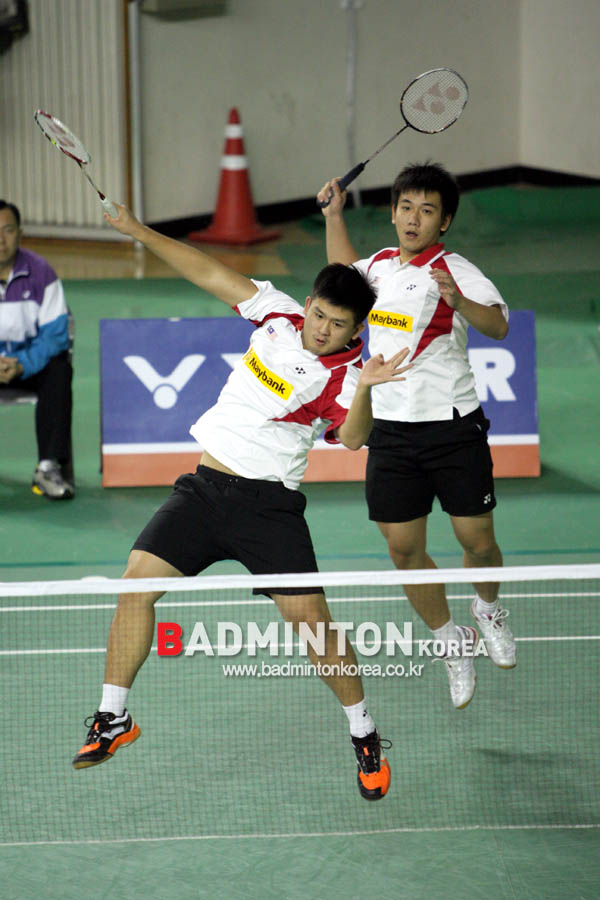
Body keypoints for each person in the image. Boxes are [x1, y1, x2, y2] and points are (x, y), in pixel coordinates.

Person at [72, 204, 411, 801]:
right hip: (204, 489)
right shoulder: (277, 315)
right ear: (308, 302)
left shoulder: (346, 377)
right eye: (319, 313)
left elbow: (355, 438)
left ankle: (364, 733)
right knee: (135, 586)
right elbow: (207, 271)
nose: (321, 329)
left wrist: (367, 390)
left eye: (337, 325)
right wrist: (138, 230)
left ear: (356, 330)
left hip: (268, 506)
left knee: (312, 624)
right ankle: (113, 716)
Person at [317, 161, 516, 710]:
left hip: (452, 425)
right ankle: (451, 639)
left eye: (427, 211)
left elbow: (499, 325)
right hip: (390, 430)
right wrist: (334, 216)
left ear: (443, 221)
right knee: (404, 549)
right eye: (406, 207)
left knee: (477, 541)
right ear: (393, 212)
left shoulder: (455, 269)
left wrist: (459, 302)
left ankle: (487, 609)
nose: (413, 219)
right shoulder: (378, 266)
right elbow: (342, 275)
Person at [0, 200, 74, 499]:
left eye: (8, 230)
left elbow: (56, 336)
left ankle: (47, 467)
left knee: (60, 369)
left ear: (20, 234)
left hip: (29, 367)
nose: (1, 240)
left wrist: (20, 364)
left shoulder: (42, 274)